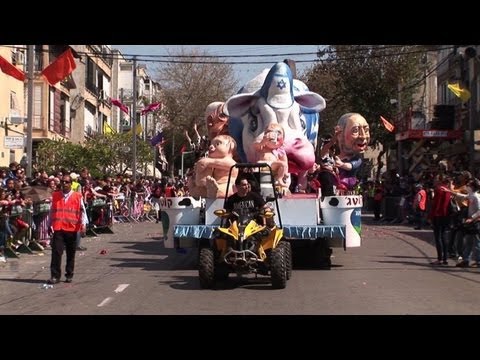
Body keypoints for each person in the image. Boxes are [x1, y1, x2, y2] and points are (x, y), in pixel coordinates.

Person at [47, 174, 88, 284]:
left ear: (71, 183)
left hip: (72, 228)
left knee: (70, 253)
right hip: (58, 227)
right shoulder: (56, 196)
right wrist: (48, 224)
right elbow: (52, 211)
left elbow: (83, 212)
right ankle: (55, 276)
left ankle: (69, 274)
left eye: (66, 182)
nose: (64, 184)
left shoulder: (77, 196)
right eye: (63, 182)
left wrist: (83, 226)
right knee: (56, 252)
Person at [333, 113, 370, 190]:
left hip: (348, 184)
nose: (363, 136)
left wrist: (342, 164)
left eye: (366, 130)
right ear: (340, 135)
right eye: (355, 130)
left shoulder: (357, 159)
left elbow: (350, 166)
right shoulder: (334, 156)